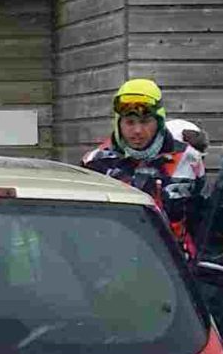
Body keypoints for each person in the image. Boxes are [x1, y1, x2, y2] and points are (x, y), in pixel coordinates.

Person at [82, 77, 207, 255]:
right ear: (118, 123)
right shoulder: (95, 163)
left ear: (159, 121)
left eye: (145, 121)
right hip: (112, 258)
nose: (137, 131)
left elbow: (201, 219)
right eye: (130, 122)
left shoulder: (189, 159)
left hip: (173, 261)